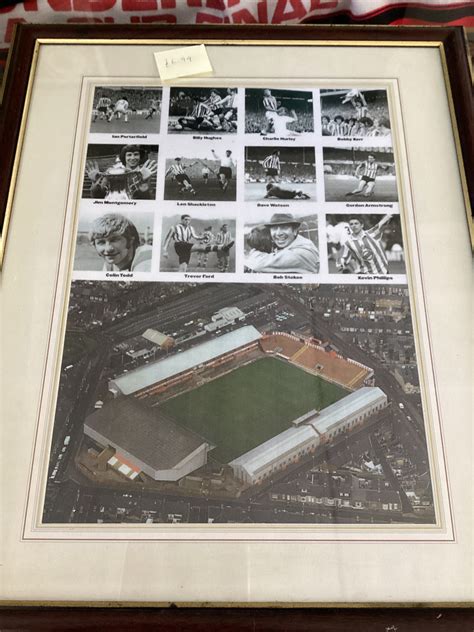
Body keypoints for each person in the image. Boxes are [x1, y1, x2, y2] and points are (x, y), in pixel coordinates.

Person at [245, 213, 319, 274]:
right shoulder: (294, 242)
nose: (278, 233)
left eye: (284, 227)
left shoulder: (302, 252)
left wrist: (253, 253)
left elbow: (258, 264)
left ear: (294, 231)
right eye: (274, 228)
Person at [162, 214, 234, 272]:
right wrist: (165, 250)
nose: (187, 221)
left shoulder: (190, 228)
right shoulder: (174, 227)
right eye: (186, 220)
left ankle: (180, 278)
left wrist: (203, 237)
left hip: (186, 248)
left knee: (183, 268)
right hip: (179, 245)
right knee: (200, 247)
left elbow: (196, 237)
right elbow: (167, 239)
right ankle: (222, 247)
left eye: (189, 220)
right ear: (182, 220)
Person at [86, 145, 157, 201]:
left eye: (136, 154)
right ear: (124, 157)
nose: (133, 158)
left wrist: (144, 183)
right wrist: (94, 183)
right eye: (129, 155)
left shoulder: (145, 172)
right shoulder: (112, 173)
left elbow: (149, 199)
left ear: (140, 156)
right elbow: (98, 196)